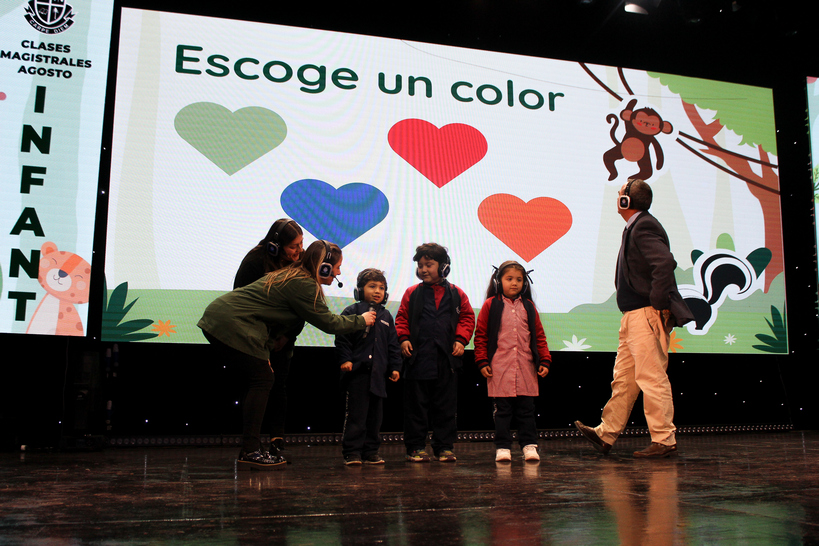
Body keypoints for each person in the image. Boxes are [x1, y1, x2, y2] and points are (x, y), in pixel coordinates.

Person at [198, 241, 376, 470]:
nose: (339, 273)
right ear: (324, 267)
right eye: (337, 267)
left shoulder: (296, 277)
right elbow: (329, 323)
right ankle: (250, 450)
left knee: (262, 378)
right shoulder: (304, 284)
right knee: (262, 379)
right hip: (231, 322)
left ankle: (251, 448)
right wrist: (361, 320)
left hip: (226, 319)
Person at [574, 179, 693, 459]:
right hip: (633, 315)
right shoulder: (635, 226)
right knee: (624, 379)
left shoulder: (643, 225)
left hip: (645, 313)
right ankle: (606, 433)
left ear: (626, 200)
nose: (617, 198)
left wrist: (657, 302)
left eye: (620, 194)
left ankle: (664, 439)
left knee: (651, 377)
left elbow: (664, 263)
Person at [395, 243, 475, 462]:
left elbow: (467, 318)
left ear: (443, 267)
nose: (423, 269)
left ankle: (444, 447)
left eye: (428, 265)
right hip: (418, 359)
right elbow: (401, 318)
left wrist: (460, 340)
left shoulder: (457, 293)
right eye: (420, 265)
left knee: (445, 407)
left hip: (446, 361)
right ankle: (415, 448)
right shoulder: (412, 293)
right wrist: (404, 339)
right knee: (416, 407)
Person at [233, 218, 304, 460]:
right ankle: (251, 445)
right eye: (293, 246)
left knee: (279, 386)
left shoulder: (298, 264)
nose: (299, 250)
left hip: (283, 338)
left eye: (301, 244)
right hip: (255, 336)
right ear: (275, 245)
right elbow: (240, 300)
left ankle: (277, 440)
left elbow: (302, 306)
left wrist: (287, 335)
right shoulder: (255, 262)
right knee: (258, 384)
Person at [474, 261, 551, 463]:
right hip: (500, 368)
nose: (514, 283)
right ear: (499, 281)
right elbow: (480, 336)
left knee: (526, 411)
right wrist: (482, 361)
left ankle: (529, 446)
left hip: (526, 367)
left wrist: (545, 360)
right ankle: (503, 447)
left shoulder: (528, 306)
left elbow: (539, 336)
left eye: (519, 279)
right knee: (503, 412)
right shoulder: (491, 305)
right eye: (509, 279)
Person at [335, 268, 402, 466]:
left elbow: (393, 345)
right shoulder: (351, 311)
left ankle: (371, 451)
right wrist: (345, 359)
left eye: (381, 288)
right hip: (357, 375)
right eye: (372, 286)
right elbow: (342, 338)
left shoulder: (386, 316)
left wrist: (395, 367)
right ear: (359, 290)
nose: (377, 291)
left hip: (378, 376)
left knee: (375, 417)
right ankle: (352, 452)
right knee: (357, 416)